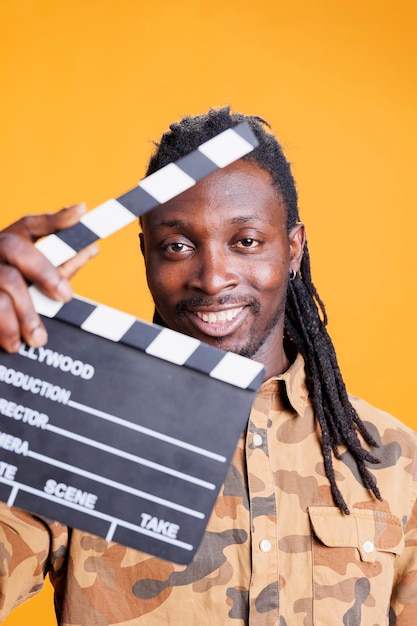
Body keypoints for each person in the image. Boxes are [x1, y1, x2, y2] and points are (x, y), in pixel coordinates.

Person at [0, 106, 416, 625]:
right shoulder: (81, 439)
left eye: (246, 241)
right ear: (147, 255)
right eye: (177, 246)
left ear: (292, 248)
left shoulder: (396, 461)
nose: (213, 278)